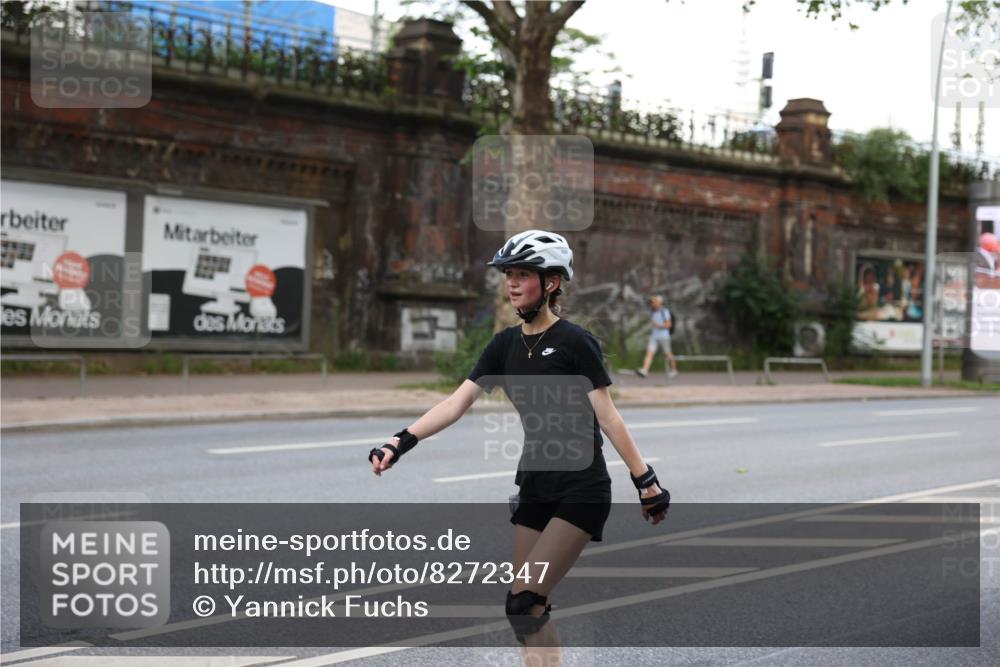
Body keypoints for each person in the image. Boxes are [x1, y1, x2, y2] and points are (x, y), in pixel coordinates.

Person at [367, 229, 670, 653]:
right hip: (534, 486)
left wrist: (646, 483)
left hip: (580, 488)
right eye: (508, 273)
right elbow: (456, 403)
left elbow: (609, 417)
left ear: (551, 283)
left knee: (524, 596)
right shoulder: (504, 345)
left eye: (523, 274)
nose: (511, 282)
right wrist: (399, 442)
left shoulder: (574, 342)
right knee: (526, 610)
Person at [636, 295, 678, 379]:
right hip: (654, 336)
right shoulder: (653, 311)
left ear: (659, 302)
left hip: (664, 336)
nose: (652, 303)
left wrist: (659, 325)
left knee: (668, 354)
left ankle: (674, 370)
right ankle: (645, 370)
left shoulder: (664, 311)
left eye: (654, 302)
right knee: (649, 353)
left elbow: (668, 324)